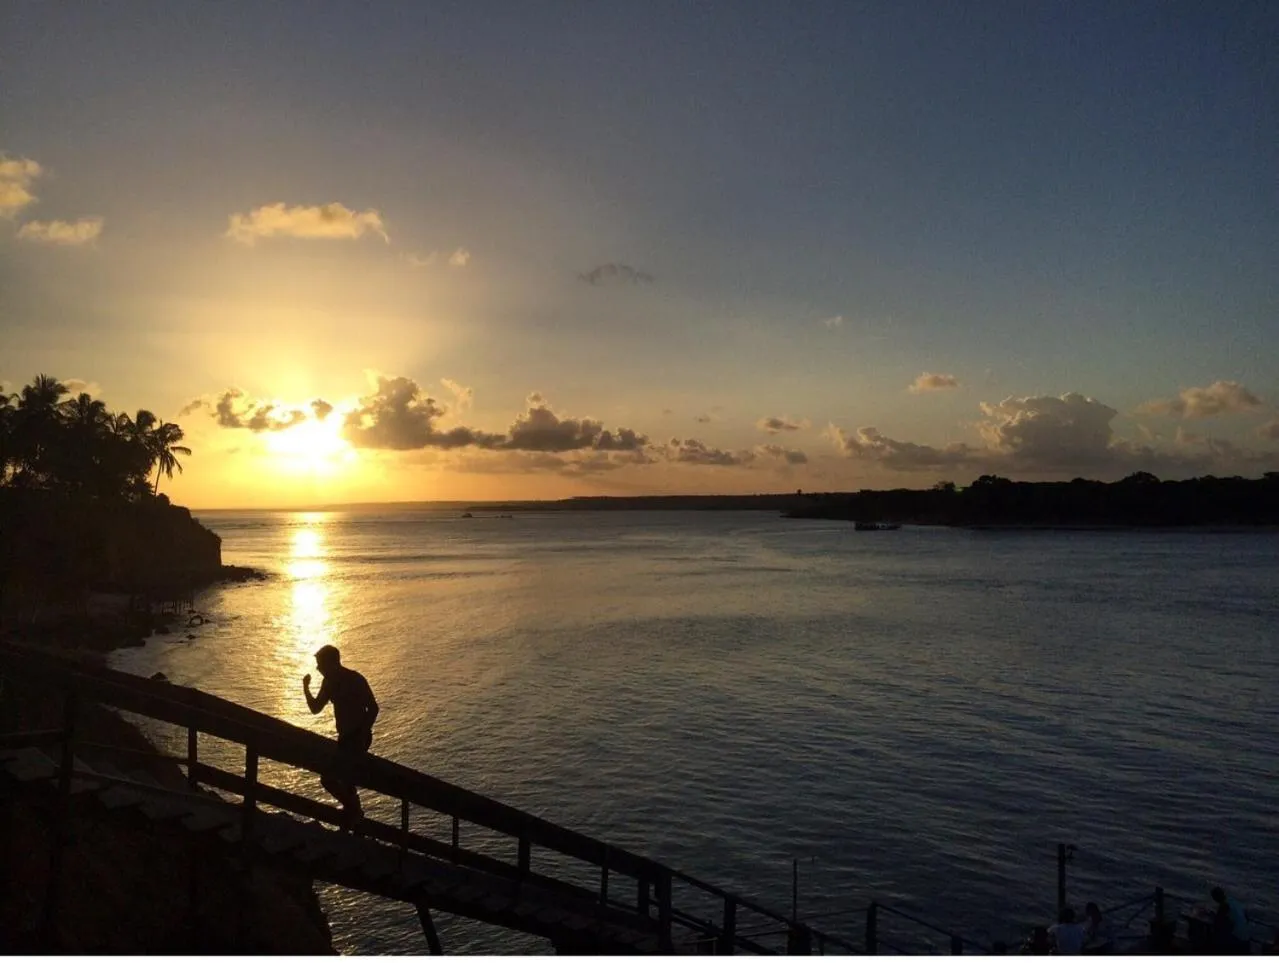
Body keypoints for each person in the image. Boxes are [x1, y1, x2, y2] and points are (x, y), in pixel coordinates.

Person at [303, 644, 379, 829]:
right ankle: (354, 817)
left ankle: (354, 813)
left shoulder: (355, 679)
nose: (318, 668)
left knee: (331, 778)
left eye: (320, 664)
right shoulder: (329, 682)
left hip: (357, 737)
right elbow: (315, 708)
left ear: (332, 663)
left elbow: (373, 708)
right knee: (345, 780)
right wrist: (306, 688)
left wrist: (363, 731)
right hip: (345, 738)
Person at [1210, 886, 1249, 954]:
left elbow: (1217, 922)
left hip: (1236, 940)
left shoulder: (1224, 905)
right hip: (1246, 939)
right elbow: (1246, 917)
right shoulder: (1235, 903)